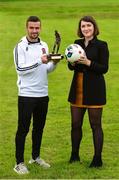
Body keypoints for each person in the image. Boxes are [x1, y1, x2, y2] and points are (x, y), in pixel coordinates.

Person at [13, 16, 60, 174]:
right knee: (23, 129)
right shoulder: (20, 46)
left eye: (37, 28)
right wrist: (40, 61)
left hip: (42, 94)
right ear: (27, 28)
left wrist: (53, 64)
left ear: (40, 28)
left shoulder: (44, 45)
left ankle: (35, 157)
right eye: (32, 28)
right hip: (26, 94)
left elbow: (46, 70)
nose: (34, 31)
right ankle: (19, 163)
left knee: (38, 128)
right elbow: (20, 69)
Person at [67, 16, 109, 167]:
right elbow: (71, 67)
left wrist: (88, 62)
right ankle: (74, 155)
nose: (86, 29)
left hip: (95, 90)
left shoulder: (101, 45)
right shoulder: (77, 44)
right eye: (83, 26)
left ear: (94, 27)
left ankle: (97, 159)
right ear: (80, 29)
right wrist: (71, 61)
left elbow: (104, 68)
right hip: (77, 87)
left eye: (88, 26)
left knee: (95, 125)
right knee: (75, 124)